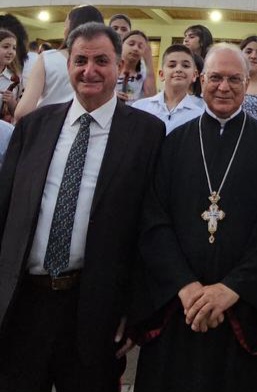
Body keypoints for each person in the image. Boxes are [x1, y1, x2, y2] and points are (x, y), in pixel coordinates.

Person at [0, 22, 165, 392]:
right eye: (81, 61)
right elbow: (4, 209)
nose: (89, 70)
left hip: (95, 311)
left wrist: (134, 310)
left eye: (101, 61)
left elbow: (150, 228)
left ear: (119, 66)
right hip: (24, 306)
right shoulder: (34, 126)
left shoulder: (147, 134)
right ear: (68, 64)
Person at [134, 43, 257, 392]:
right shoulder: (174, 143)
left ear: (247, 83)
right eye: (216, 78)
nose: (224, 87)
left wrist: (230, 289)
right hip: (179, 307)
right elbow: (154, 221)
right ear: (201, 80)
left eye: (234, 79)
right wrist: (186, 286)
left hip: (240, 308)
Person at [14, 5, 104, 122]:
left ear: (70, 28)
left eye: (65, 24)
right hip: (87, 127)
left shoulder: (48, 58)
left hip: (47, 126)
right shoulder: (105, 64)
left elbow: (22, 112)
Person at [133, 44, 205, 134]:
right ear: (161, 74)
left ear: (194, 75)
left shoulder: (200, 116)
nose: (178, 69)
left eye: (185, 66)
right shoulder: (140, 107)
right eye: (172, 65)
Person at [109, 14, 157, 97]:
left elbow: (151, 96)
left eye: (124, 29)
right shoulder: (105, 61)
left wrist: (149, 60)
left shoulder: (142, 68)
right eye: (115, 28)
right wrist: (111, 96)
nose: (119, 32)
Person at [116, 30, 157, 105]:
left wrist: (149, 61)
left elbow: (151, 97)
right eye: (131, 44)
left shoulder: (144, 71)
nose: (135, 48)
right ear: (122, 45)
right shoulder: (111, 66)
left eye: (140, 46)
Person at [0, 29, 20, 120]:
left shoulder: (15, 79)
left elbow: (17, 113)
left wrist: (11, 102)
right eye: (6, 47)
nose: (11, 51)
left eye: (14, 48)